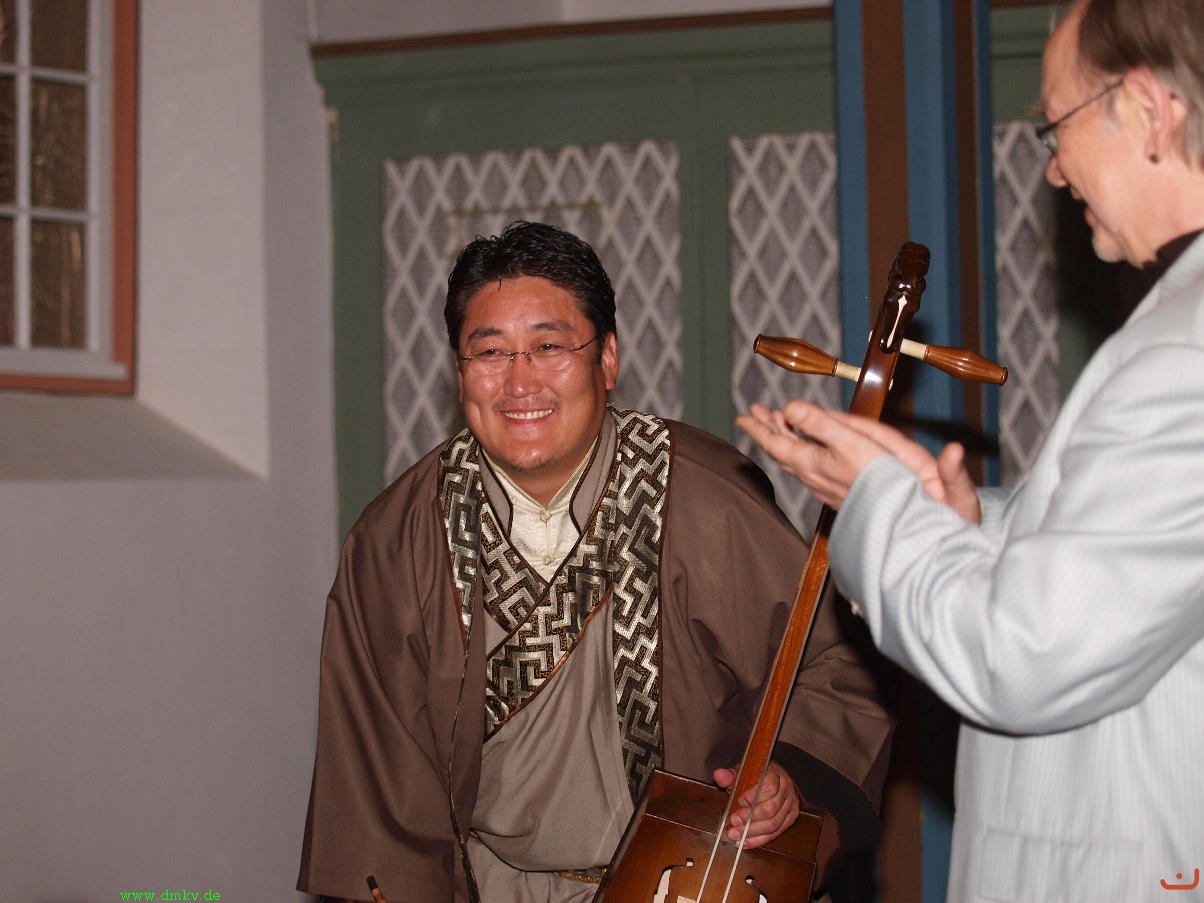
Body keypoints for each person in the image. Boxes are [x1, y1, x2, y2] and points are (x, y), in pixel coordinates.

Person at [738, 0, 1204, 899]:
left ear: (1149, 110)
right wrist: (959, 520)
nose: (1055, 170)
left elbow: (1019, 656)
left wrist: (879, 505)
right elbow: (1113, 564)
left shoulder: (1185, 354)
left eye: (1056, 126)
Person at [298, 221, 894, 902]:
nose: (519, 381)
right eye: (489, 352)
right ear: (460, 371)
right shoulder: (398, 541)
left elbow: (836, 661)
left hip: (688, 884)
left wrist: (791, 776)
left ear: (607, 358)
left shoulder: (703, 499)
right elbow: (376, 779)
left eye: (549, 346)